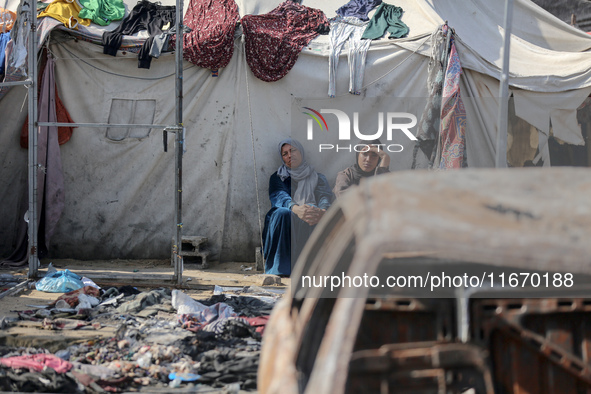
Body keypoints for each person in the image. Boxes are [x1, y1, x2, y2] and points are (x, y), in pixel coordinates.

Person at [262, 138, 334, 276]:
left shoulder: (318, 177)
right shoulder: (278, 177)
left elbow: (324, 196)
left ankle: (308, 269)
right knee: (282, 213)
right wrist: (295, 208)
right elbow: (279, 196)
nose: (290, 155)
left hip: (309, 218)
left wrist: (322, 211)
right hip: (285, 219)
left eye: (293, 150)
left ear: (301, 152)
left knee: (312, 210)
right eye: (285, 153)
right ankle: (279, 270)